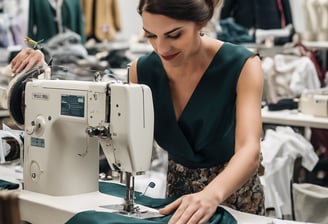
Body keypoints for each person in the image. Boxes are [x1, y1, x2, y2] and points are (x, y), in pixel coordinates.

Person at [10, 0, 265, 223]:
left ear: (202, 23)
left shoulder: (242, 66)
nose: (162, 47)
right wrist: (43, 74)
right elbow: (98, 109)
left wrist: (211, 195)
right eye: (150, 35)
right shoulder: (141, 71)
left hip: (236, 199)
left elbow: (249, 150)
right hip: (176, 202)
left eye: (174, 35)